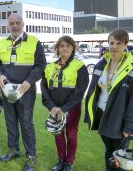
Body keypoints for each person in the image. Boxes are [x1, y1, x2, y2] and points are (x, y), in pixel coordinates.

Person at [84, 29, 133, 171]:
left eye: (118, 43)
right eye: (111, 43)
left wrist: (129, 127)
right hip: (102, 115)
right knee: (108, 151)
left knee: (121, 157)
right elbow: (93, 90)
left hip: (120, 119)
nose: (114, 46)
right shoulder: (101, 64)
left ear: (125, 45)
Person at [0, 13, 46, 171]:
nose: (15, 26)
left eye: (17, 23)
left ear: (23, 24)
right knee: (10, 122)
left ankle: (31, 156)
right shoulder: (1, 43)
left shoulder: (34, 42)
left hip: (26, 91)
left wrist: (29, 81)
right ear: (8, 25)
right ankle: (13, 150)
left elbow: (41, 65)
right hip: (7, 90)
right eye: (12, 23)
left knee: (26, 124)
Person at [41, 36, 89, 171]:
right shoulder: (51, 66)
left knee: (71, 134)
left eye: (68, 46)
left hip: (72, 108)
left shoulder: (79, 66)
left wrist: (64, 108)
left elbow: (80, 91)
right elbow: (44, 88)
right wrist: (52, 107)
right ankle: (61, 160)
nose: (65, 48)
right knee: (58, 133)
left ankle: (69, 162)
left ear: (73, 48)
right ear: (58, 48)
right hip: (55, 108)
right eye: (62, 46)